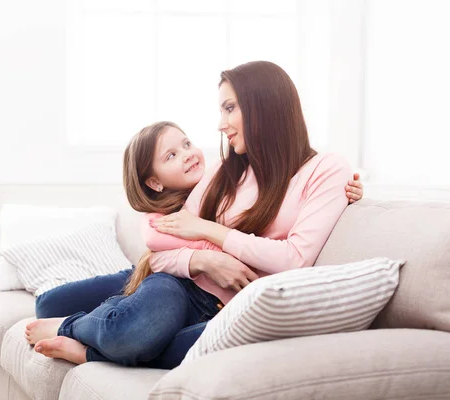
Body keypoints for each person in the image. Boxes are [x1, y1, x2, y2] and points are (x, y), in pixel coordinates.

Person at [25, 61, 363, 368]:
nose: (221, 124)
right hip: (181, 287)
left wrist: (207, 231)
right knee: (132, 326)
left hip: (228, 311)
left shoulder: (327, 170)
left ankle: (87, 345)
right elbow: (158, 246)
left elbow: (294, 259)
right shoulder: (225, 172)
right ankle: (73, 324)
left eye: (230, 108)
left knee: (196, 346)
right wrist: (204, 261)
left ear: (264, 105)